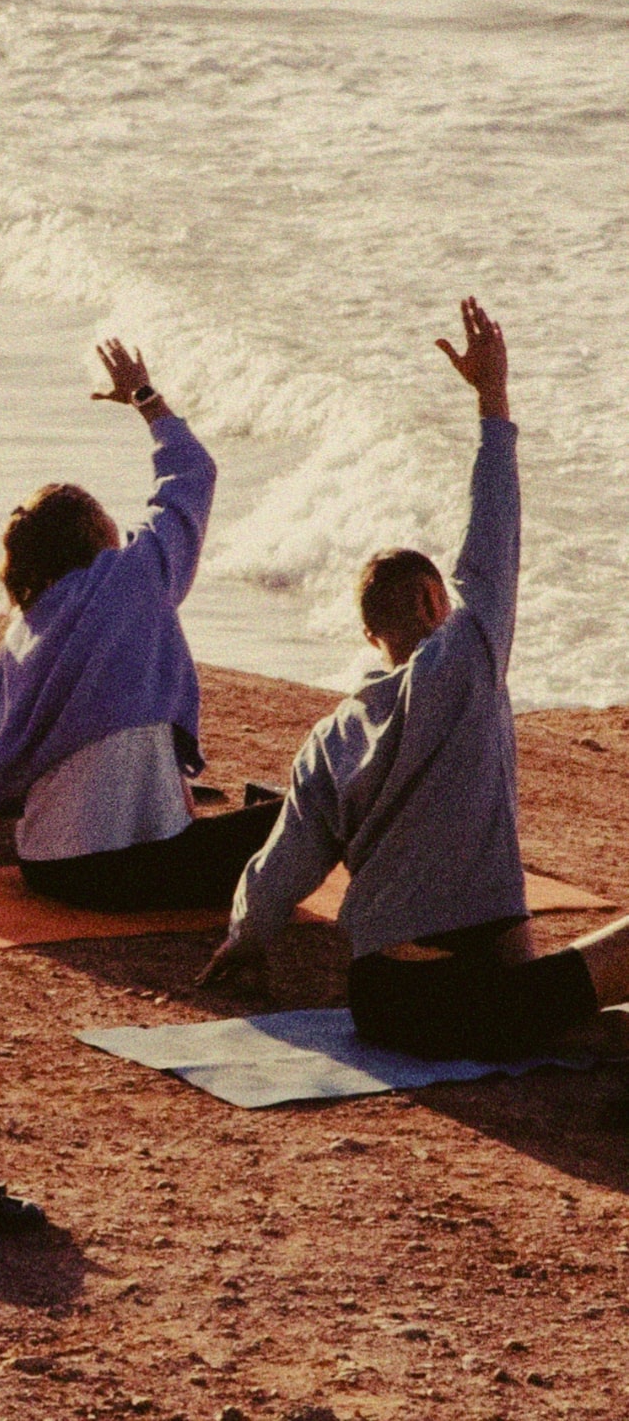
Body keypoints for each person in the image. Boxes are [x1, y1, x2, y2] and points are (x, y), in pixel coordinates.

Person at [203, 297, 629, 1060]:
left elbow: (283, 864)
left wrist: (246, 938)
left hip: (381, 1006)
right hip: (463, 1006)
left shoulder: (330, 734)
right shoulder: (464, 659)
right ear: (438, 602)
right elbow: (491, 544)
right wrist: (492, 405)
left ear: (370, 636)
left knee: (529, 969)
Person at [0, 339, 282, 907]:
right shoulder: (135, 575)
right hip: (131, 872)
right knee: (320, 802)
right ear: (98, 534)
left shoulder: (23, 632)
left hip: (44, 867)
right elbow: (193, 470)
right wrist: (146, 397)